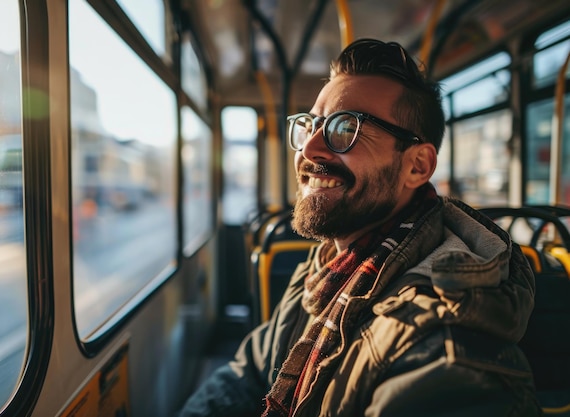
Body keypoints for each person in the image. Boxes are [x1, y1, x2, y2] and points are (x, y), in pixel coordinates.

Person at [178, 38, 540, 416]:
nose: (309, 149)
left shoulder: (448, 357)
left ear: (417, 165)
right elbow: (252, 370)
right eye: (310, 126)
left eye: (344, 127)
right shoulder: (325, 271)